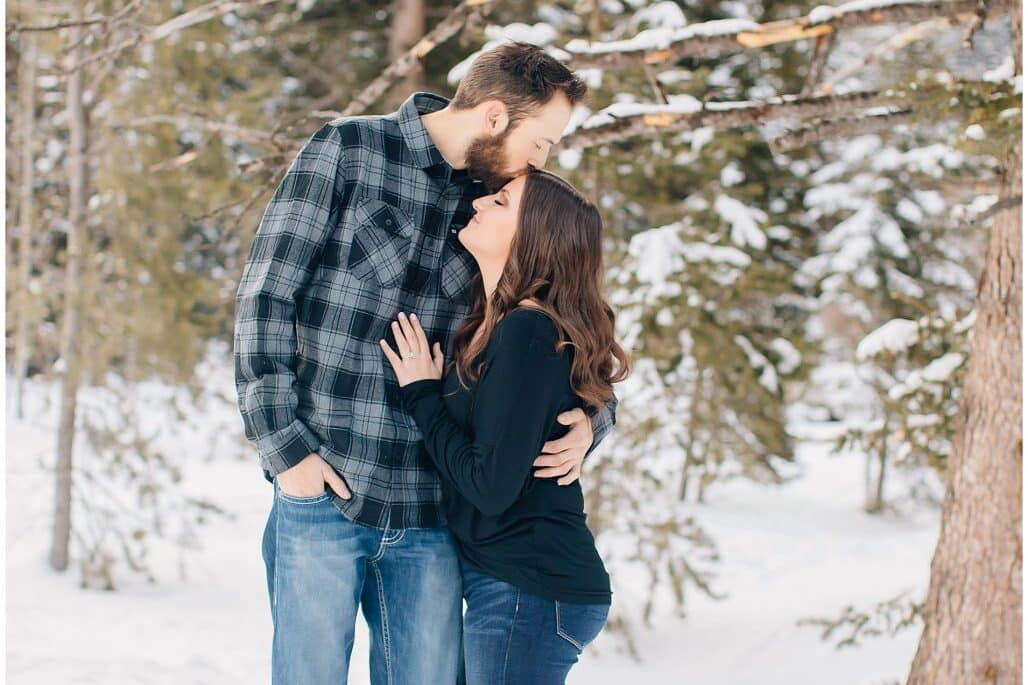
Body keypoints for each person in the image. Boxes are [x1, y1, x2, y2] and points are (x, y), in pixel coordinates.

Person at [233, 41, 619, 684]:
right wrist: (285, 450)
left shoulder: (503, 212)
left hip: (432, 515)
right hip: (326, 487)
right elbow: (266, 297)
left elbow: (563, 324)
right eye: (543, 141)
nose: (543, 158)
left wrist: (591, 423)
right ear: (495, 116)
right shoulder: (347, 151)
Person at [381, 168, 632, 684]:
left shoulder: (528, 333)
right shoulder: (505, 325)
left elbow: (490, 488)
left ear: (534, 236)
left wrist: (421, 394)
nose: (479, 204)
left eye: (500, 201)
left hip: (531, 590)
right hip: (521, 587)